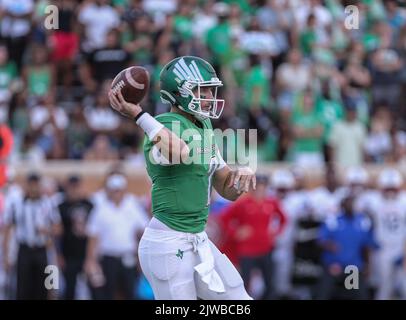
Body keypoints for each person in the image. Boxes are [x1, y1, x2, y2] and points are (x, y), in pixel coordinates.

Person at [108, 56, 256, 300]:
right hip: (168, 241)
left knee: (239, 300)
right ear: (179, 93)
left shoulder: (204, 126)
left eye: (210, 89)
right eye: (201, 89)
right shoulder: (163, 124)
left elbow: (226, 189)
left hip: (198, 238)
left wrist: (241, 175)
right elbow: (180, 151)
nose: (209, 96)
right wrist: (139, 115)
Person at [219, 174, 287, 299]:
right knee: (245, 282)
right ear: (251, 188)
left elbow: (284, 219)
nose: (260, 190)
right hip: (247, 250)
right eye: (257, 187)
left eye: (263, 187)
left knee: (270, 282)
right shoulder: (243, 203)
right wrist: (236, 232)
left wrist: (275, 233)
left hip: (266, 248)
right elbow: (224, 219)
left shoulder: (271, 202)